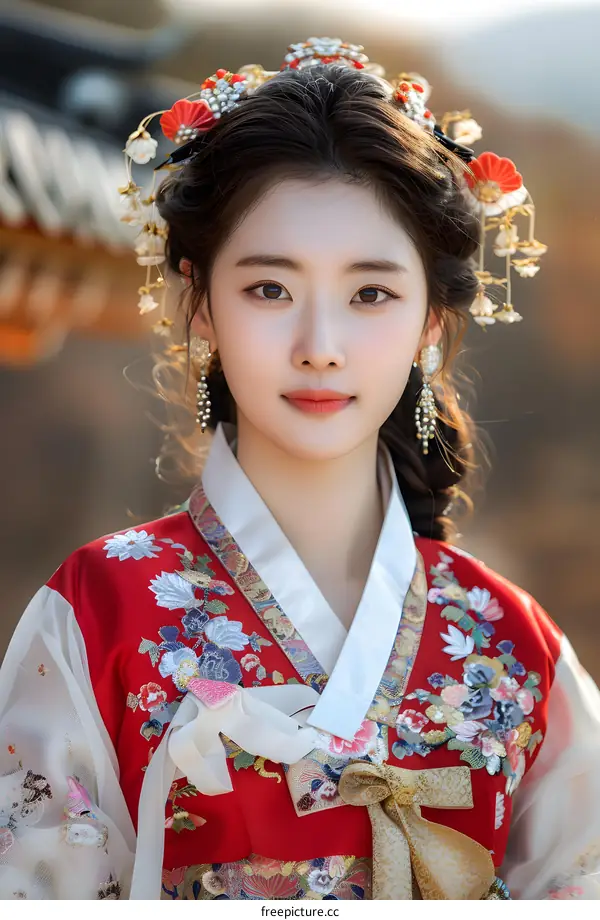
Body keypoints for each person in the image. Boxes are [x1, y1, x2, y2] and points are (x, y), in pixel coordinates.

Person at [1, 37, 599, 901]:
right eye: (271, 290)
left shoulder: (511, 642)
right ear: (200, 302)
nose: (320, 349)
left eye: (370, 295)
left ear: (431, 320)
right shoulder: (98, 612)